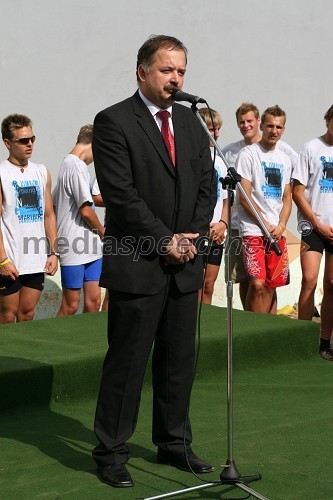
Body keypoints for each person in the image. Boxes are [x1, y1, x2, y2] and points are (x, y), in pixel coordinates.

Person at [92, 35, 215, 488]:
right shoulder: (112, 122)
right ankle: (110, 452)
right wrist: (165, 240)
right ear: (142, 71)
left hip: (185, 262)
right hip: (138, 262)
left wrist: (193, 237)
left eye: (181, 71)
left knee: (178, 359)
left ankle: (174, 444)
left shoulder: (190, 121)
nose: (175, 79)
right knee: (127, 362)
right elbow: (121, 197)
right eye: (167, 70)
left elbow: (207, 183)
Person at [222, 103, 298, 310]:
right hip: (252, 230)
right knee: (256, 283)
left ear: (283, 129)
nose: (274, 131)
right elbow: (244, 197)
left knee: (272, 285)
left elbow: (287, 198)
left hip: (276, 231)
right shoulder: (248, 154)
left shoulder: (284, 158)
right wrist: (265, 224)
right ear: (262, 126)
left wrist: (282, 225)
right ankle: (251, 329)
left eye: (279, 127)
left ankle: (267, 332)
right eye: (270, 126)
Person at [0, 114, 58, 323]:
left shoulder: (41, 172)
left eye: (32, 138)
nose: (30, 144)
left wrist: (54, 252)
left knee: (27, 314)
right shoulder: (2, 173)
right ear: (8, 143)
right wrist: (2, 260)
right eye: (23, 140)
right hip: (9, 260)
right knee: (7, 316)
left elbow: (49, 215)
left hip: (35, 258)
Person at [292, 104, 333, 361]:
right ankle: (301, 339)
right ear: (328, 120)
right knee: (309, 278)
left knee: (332, 284)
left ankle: (324, 342)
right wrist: (317, 224)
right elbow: (297, 191)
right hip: (312, 225)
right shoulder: (310, 148)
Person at [53, 125, 105, 316]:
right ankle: (54, 344)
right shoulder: (75, 165)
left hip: (91, 247)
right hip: (73, 246)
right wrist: (102, 230)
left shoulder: (72, 164)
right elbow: (85, 210)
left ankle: (88, 344)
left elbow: (53, 203)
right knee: (71, 305)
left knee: (93, 302)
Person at [198, 107, 228, 304]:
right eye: (210, 129)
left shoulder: (221, 160)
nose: (215, 134)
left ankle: (205, 331)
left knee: (209, 284)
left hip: (217, 232)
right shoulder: (194, 158)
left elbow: (226, 199)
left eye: (217, 129)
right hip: (198, 231)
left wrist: (223, 224)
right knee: (196, 285)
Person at [91, 178, 108, 311]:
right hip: (119, 234)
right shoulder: (113, 163)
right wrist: (123, 200)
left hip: (149, 233)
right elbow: (96, 197)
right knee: (114, 291)